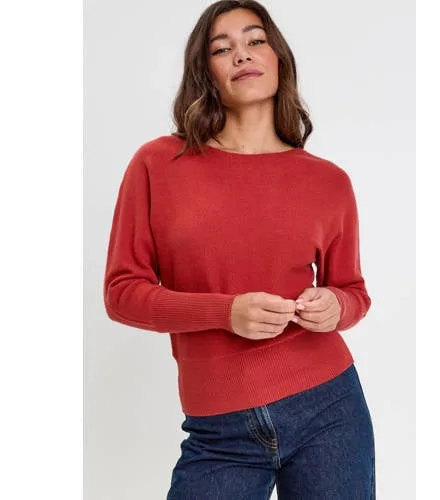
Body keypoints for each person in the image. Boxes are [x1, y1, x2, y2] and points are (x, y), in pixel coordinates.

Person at [103, 0, 375, 498]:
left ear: (278, 58)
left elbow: (353, 292)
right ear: (205, 71)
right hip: (218, 430)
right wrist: (226, 312)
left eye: (255, 41)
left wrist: (335, 305)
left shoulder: (328, 182)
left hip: (330, 407)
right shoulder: (158, 164)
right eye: (221, 48)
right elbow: (122, 293)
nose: (242, 54)